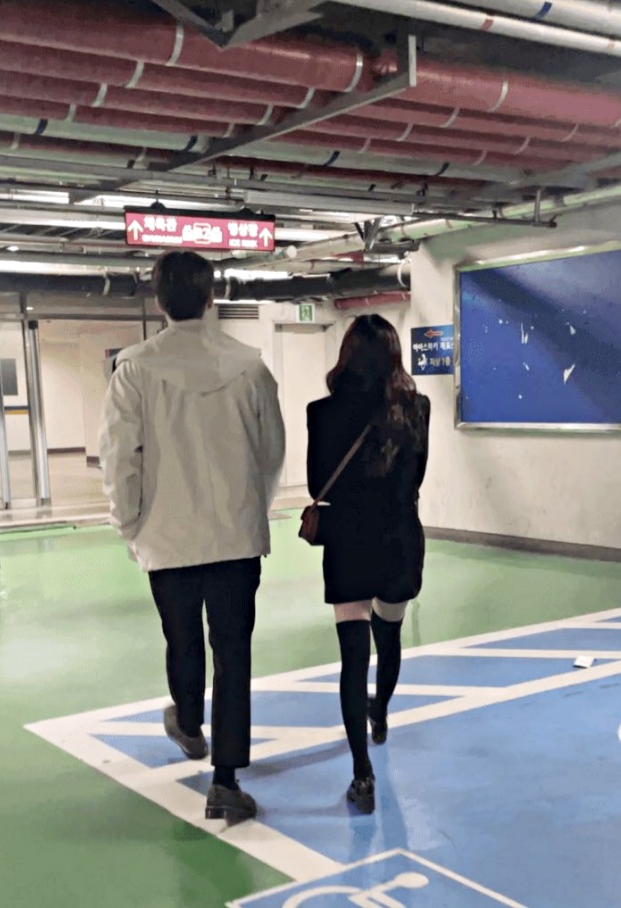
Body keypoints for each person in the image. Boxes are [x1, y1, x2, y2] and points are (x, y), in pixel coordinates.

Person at [99, 250, 285, 822]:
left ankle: (188, 721)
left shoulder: (133, 370)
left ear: (158, 302)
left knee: (181, 640)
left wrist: (130, 523)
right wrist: (253, 508)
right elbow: (271, 453)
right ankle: (225, 782)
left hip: (166, 538)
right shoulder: (250, 367)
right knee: (233, 654)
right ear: (212, 297)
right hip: (237, 539)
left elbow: (119, 459)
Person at [306, 314, 430, 814]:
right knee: (390, 635)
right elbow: (418, 476)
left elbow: (317, 483)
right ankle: (380, 715)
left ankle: (361, 772)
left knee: (353, 658)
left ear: (347, 355)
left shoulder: (322, 411)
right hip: (399, 537)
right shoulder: (417, 409)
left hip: (348, 541)